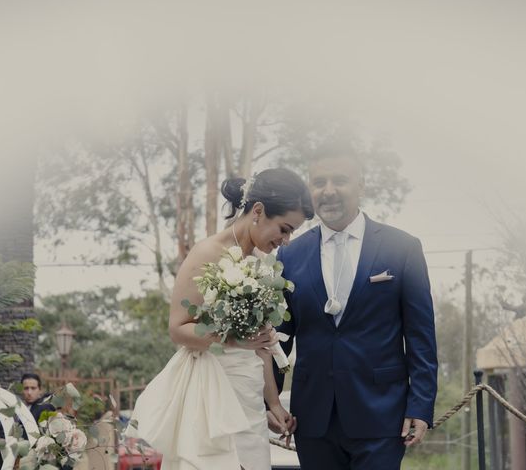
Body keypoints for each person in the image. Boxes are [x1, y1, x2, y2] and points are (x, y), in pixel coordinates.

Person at [129, 168, 314, 470]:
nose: (287, 240)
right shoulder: (207, 253)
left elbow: (263, 343)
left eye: (291, 231)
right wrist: (234, 340)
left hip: (249, 395)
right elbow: (178, 329)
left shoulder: (262, 262)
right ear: (258, 211)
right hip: (211, 390)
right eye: (284, 228)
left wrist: (274, 403)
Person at [275, 144, 438, 470]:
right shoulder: (289, 254)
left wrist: (420, 406)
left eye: (340, 180)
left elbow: (420, 336)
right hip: (312, 417)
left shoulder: (402, 248)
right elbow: (278, 338)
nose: (329, 191)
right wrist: (270, 402)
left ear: (361, 185)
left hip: (381, 414)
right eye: (319, 182)